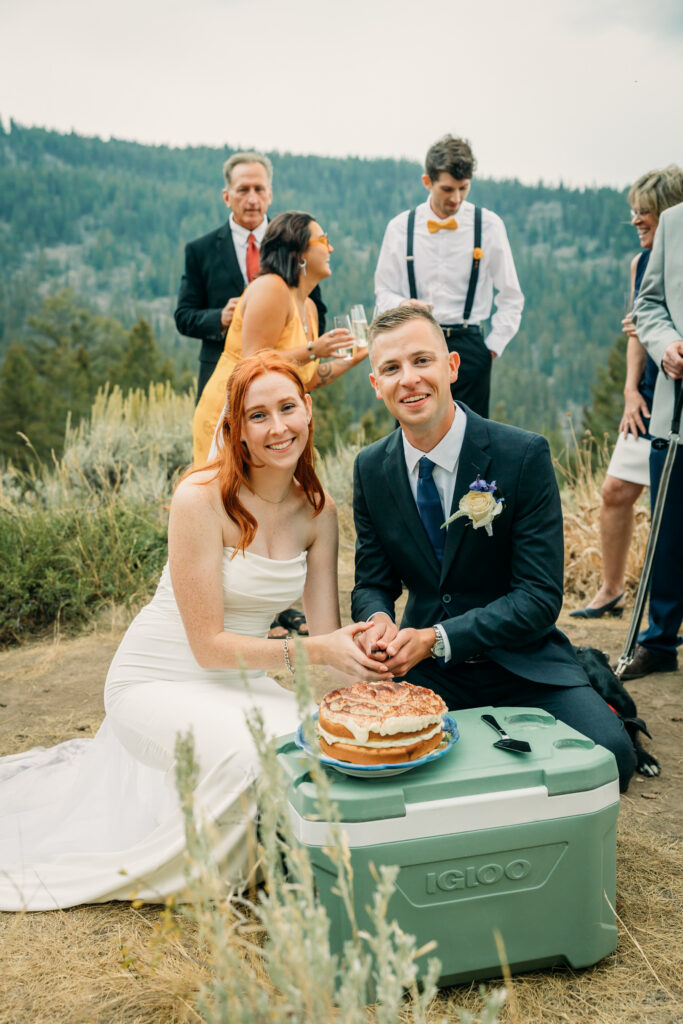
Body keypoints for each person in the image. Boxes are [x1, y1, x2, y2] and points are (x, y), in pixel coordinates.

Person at [0, 353, 389, 912]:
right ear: (236, 431)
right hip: (157, 678)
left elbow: (326, 643)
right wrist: (315, 650)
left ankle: (301, 861)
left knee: (315, 748)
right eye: (258, 416)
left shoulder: (318, 513)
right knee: (254, 759)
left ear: (308, 411)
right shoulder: (199, 499)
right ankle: (224, 878)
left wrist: (366, 667)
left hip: (240, 680)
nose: (277, 427)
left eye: (287, 408)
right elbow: (207, 649)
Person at [351, 306, 635, 791]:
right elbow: (373, 581)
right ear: (376, 384)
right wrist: (377, 619)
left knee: (610, 759)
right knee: (391, 767)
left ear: (453, 367)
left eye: (423, 361)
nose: (410, 380)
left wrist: (437, 636)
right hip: (427, 672)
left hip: (524, 661)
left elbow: (540, 597)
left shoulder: (522, 454)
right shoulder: (370, 468)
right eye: (393, 369)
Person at [571, 166, 683, 619]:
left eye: (646, 212)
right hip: (650, 393)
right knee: (616, 491)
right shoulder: (639, 264)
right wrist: (630, 391)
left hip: (675, 396)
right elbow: (637, 332)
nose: (637, 220)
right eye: (634, 211)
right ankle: (612, 588)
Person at [193, 211, 367, 467]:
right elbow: (253, 362)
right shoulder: (271, 288)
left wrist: (354, 359)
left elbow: (306, 378)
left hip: (270, 423)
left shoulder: (309, 307)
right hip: (235, 415)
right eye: (322, 240)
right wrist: (313, 349)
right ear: (298, 253)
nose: (331, 247)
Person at [374, 135, 523, 418]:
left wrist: (491, 348)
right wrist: (403, 306)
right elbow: (383, 292)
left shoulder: (488, 226)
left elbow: (511, 296)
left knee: (473, 439)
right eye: (447, 189)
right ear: (427, 182)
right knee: (413, 430)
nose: (455, 198)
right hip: (415, 342)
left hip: (469, 344)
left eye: (463, 188)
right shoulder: (399, 228)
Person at [174, 151, 327, 402]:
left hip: (287, 381)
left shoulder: (294, 244)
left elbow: (315, 308)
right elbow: (184, 316)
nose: (252, 199)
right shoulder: (200, 250)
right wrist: (219, 318)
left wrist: (309, 352)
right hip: (221, 385)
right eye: (243, 190)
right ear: (226, 197)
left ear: (270, 194)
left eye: (259, 189)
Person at [622, 200, 683, 679]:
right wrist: (665, 346)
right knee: (668, 533)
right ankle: (659, 643)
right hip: (675, 408)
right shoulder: (676, 221)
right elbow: (649, 303)